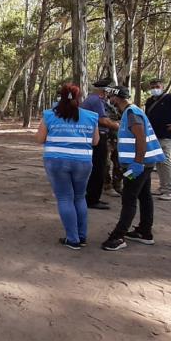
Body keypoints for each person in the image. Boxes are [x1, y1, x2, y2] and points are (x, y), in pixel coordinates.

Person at [101, 86, 167, 251]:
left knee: (129, 197)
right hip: (143, 164)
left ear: (117, 98)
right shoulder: (131, 111)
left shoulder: (132, 113)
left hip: (137, 165)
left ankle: (118, 236)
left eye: (111, 97)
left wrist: (137, 163)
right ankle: (145, 232)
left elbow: (141, 138)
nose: (110, 100)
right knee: (144, 196)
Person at [37, 83, 100, 249]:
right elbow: (95, 141)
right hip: (83, 162)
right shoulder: (92, 116)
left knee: (65, 198)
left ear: (61, 96)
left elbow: (40, 139)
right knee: (79, 197)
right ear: (79, 98)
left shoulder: (49, 115)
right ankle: (82, 236)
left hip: (56, 161)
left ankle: (72, 239)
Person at [80, 78, 120, 210]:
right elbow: (103, 120)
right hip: (97, 136)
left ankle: (92, 196)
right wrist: (119, 126)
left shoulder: (94, 99)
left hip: (93, 135)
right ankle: (92, 199)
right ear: (105, 90)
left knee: (97, 167)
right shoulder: (96, 101)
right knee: (99, 167)